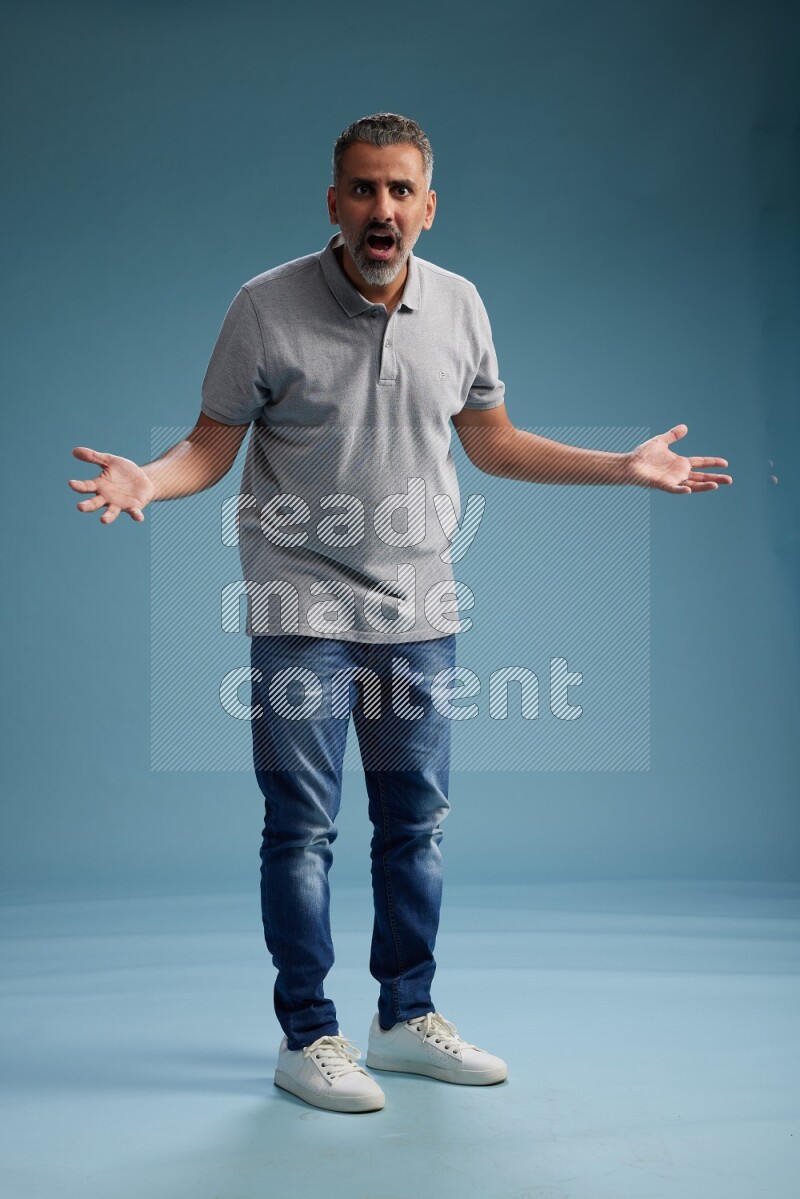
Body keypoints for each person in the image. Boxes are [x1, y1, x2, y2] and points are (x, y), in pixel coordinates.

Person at [68, 113, 732, 1115]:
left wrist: (622, 468)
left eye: (399, 190)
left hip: (420, 609)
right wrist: (148, 481)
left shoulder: (460, 305)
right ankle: (308, 1035)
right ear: (334, 202)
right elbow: (209, 445)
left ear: (427, 206)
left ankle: (402, 1017)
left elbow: (494, 443)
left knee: (414, 825)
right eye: (363, 188)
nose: (381, 207)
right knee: (302, 828)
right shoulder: (264, 306)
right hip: (300, 603)